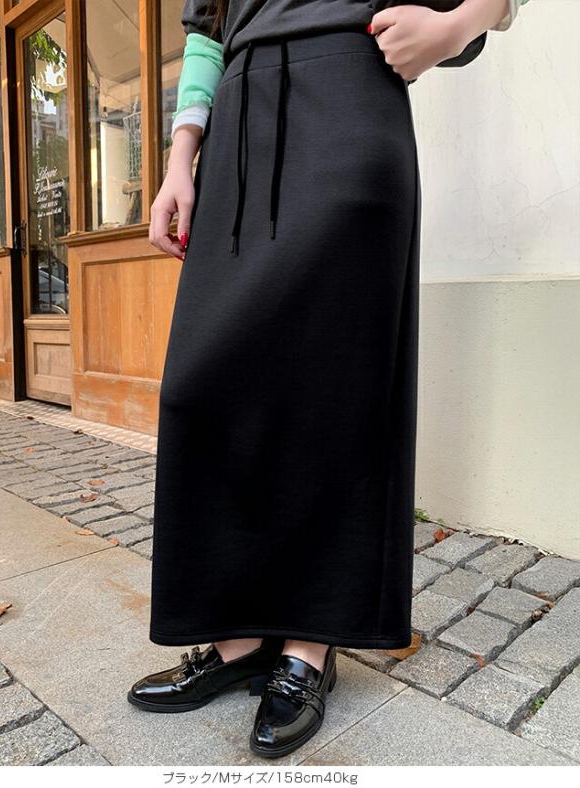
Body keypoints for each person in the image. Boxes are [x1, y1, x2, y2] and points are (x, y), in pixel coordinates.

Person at [129, 0, 530, 759]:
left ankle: (308, 647)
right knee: (201, 387)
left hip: (350, 98)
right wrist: (182, 158)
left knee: (333, 383)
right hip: (237, 123)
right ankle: (238, 642)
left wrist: (458, 25)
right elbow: (206, 31)